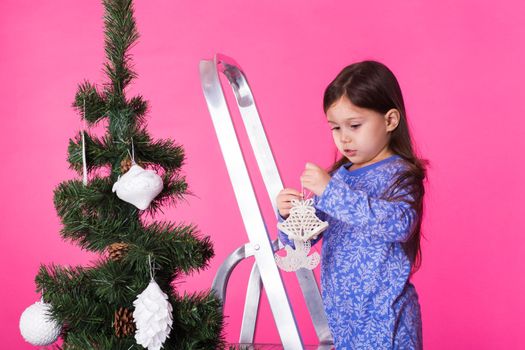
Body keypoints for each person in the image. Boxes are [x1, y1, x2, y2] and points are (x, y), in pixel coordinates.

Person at [276, 60, 428, 349]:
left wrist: (330, 191)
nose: (344, 138)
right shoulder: (338, 178)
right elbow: (304, 239)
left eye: (355, 125)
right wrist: (289, 214)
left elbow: (398, 224)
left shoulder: (401, 175)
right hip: (343, 319)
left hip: (387, 317)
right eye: (335, 127)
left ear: (390, 120)